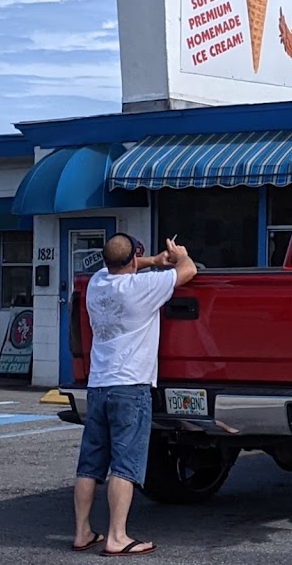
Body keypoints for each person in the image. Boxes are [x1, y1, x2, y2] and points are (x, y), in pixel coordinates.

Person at [72, 233, 197, 556]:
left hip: (98, 385)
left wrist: (154, 261)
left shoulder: (98, 283)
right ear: (132, 261)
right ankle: (117, 536)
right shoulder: (140, 288)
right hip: (130, 387)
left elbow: (125, 263)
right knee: (124, 466)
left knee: (90, 465)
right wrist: (178, 254)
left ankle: (82, 532)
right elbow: (189, 272)